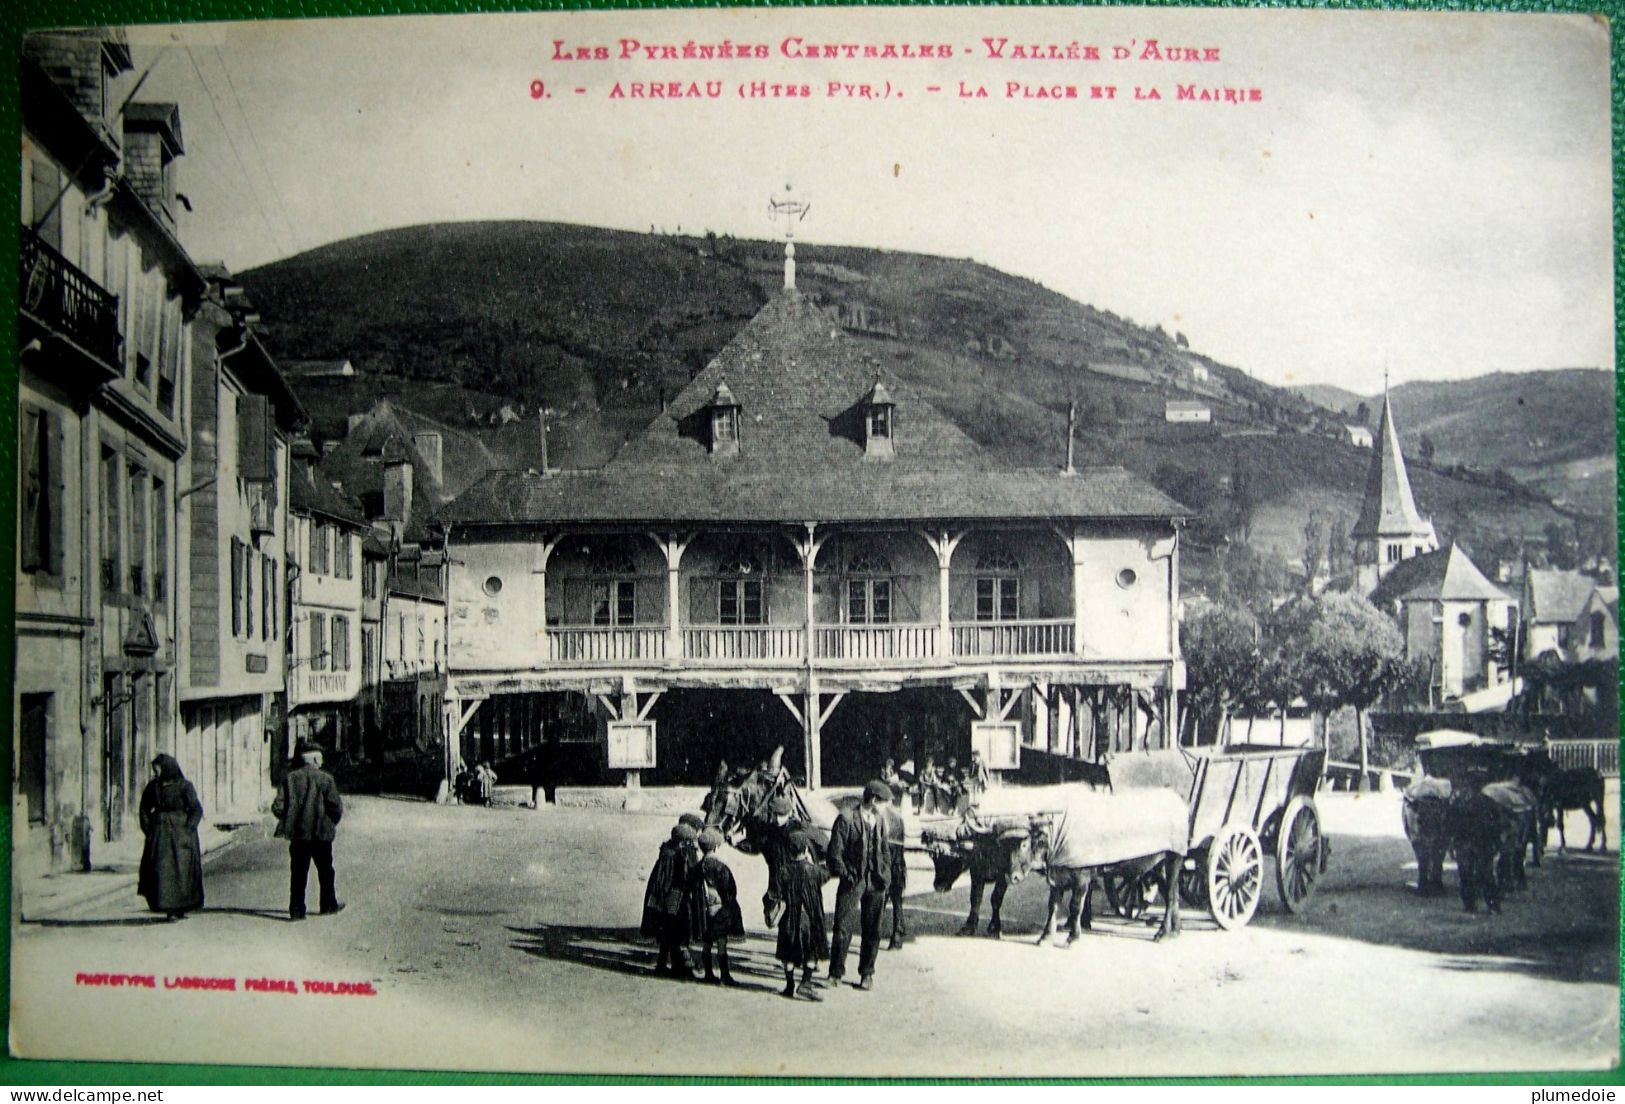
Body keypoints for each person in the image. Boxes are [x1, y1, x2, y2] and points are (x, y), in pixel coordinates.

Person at [825, 780, 893, 991]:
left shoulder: (880, 820)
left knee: (873, 929)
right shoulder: (846, 819)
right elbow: (834, 853)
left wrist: (886, 876)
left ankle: (867, 974)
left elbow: (884, 850)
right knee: (843, 928)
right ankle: (836, 972)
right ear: (873, 800)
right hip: (853, 882)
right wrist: (846, 874)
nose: (886, 807)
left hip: (876, 881)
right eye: (884, 802)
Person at [273, 743, 345, 920]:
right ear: (313, 759)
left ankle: (296, 910)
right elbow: (336, 807)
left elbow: (277, 807)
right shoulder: (326, 779)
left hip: (299, 835)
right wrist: (329, 823)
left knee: (298, 873)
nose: (322, 761)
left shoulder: (290, 779)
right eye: (320, 758)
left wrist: (291, 819)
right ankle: (328, 905)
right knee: (326, 870)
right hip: (321, 834)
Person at [136, 754, 205, 920]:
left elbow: (196, 809)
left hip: (181, 835)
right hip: (160, 837)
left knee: (181, 872)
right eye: (154, 771)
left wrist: (189, 828)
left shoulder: (184, 786)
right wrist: (149, 830)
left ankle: (180, 907)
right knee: (162, 872)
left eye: (158, 770)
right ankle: (167, 908)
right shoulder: (153, 787)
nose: (156, 773)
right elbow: (144, 808)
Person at [642, 821, 703, 978]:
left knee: (666, 935)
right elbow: (684, 877)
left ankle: (663, 965)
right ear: (683, 841)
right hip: (675, 899)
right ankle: (681, 967)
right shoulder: (678, 855)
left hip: (662, 899)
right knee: (679, 933)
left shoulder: (666, 851)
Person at [774, 829, 829, 1000]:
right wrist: (813, 861)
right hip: (809, 918)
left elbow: (774, 893)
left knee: (788, 953)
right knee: (811, 952)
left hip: (789, 918)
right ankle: (805, 982)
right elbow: (826, 874)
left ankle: (789, 985)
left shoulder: (782, 871)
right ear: (806, 850)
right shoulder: (814, 871)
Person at [690, 828, 745, 985]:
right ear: (715, 847)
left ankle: (708, 974)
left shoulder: (697, 867)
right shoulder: (720, 867)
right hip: (720, 909)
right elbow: (730, 889)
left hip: (703, 909)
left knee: (707, 943)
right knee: (721, 943)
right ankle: (725, 975)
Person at [758, 794, 805, 926]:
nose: (778, 819)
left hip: (794, 879)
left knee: (795, 918)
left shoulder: (797, 829)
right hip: (776, 878)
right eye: (775, 815)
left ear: (789, 813)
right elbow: (759, 845)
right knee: (779, 920)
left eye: (782, 815)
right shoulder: (770, 830)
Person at [882, 782, 908, 949]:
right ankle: (898, 929)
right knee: (896, 893)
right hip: (893, 857)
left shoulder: (891, 818)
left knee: (891, 892)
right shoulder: (897, 819)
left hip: (889, 857)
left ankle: (897, 929)